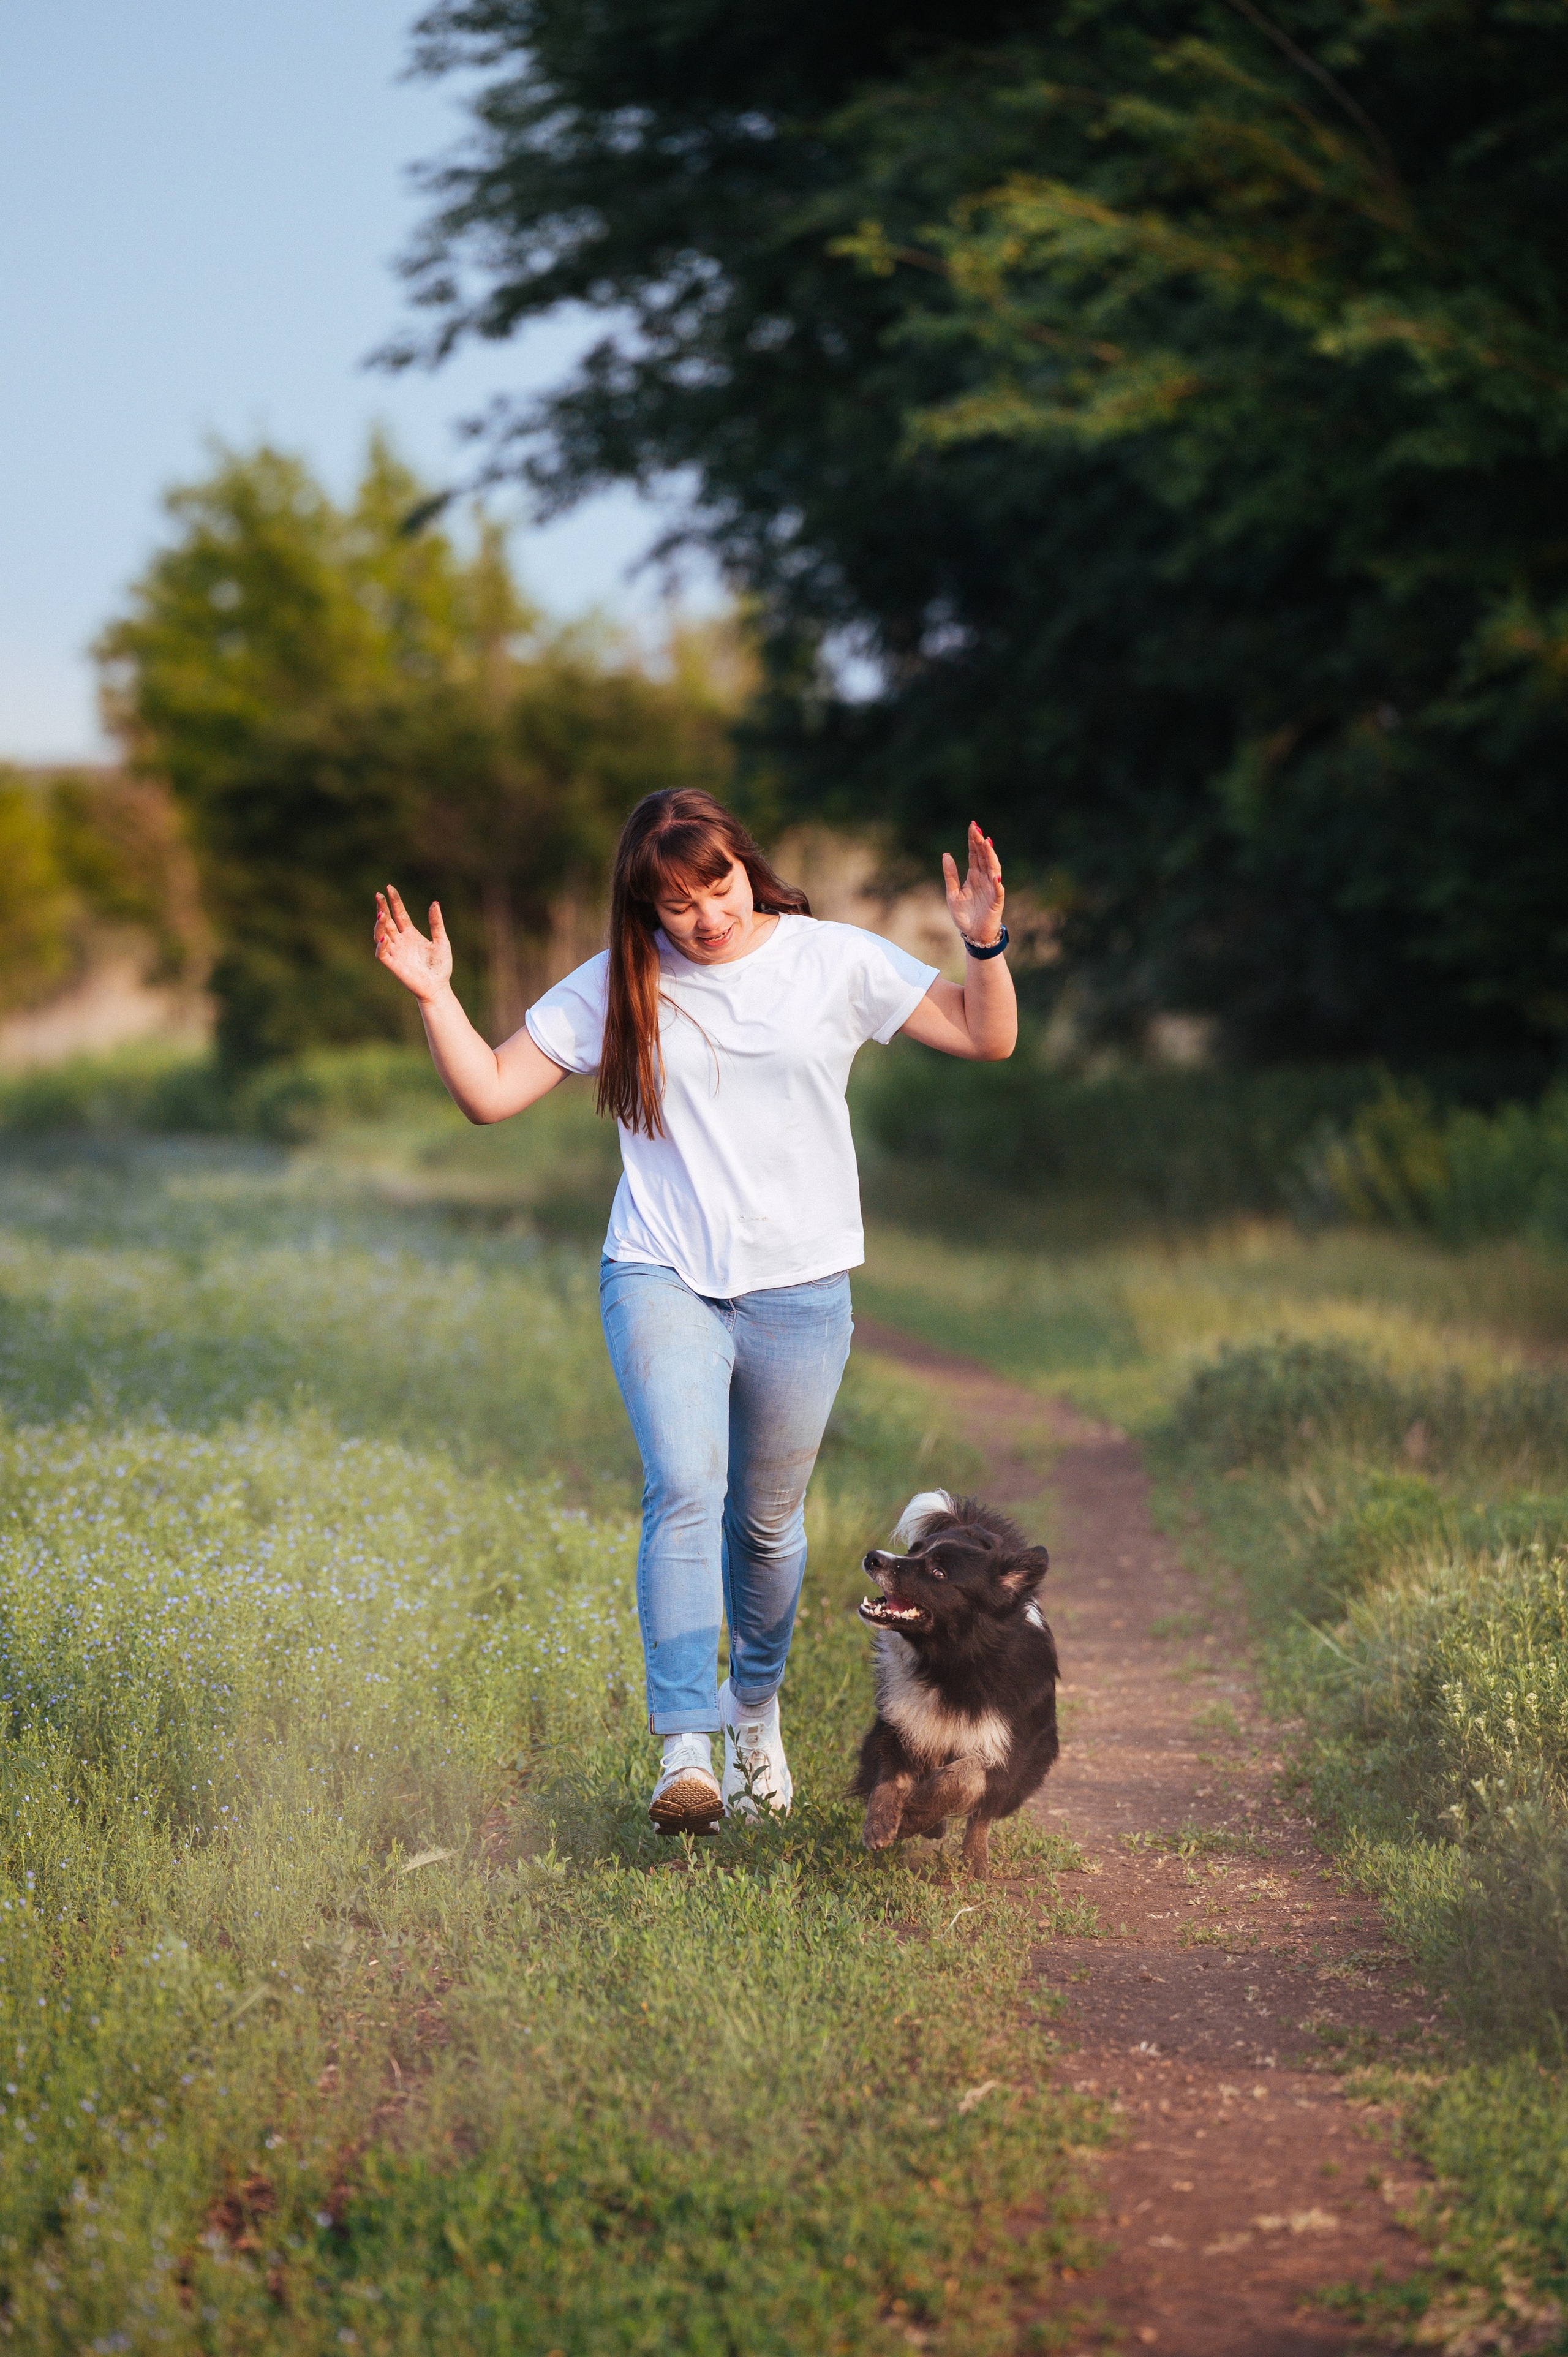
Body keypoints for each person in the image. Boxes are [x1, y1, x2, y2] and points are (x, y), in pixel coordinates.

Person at [373, 790, 1016, 1833]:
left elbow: (987, 1038)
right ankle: (685, 1745)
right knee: (681, 1486)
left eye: (717, 888)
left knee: (765, 1525)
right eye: (676, 905)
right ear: (647, 909)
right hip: (661, 1270)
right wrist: (435, 996)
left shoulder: (832, 960)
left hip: (800, 1285)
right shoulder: (621, 982)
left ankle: (751, 1709)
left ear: (745, 869)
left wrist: (983, 943)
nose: (706, 918)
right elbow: (488, 1093)